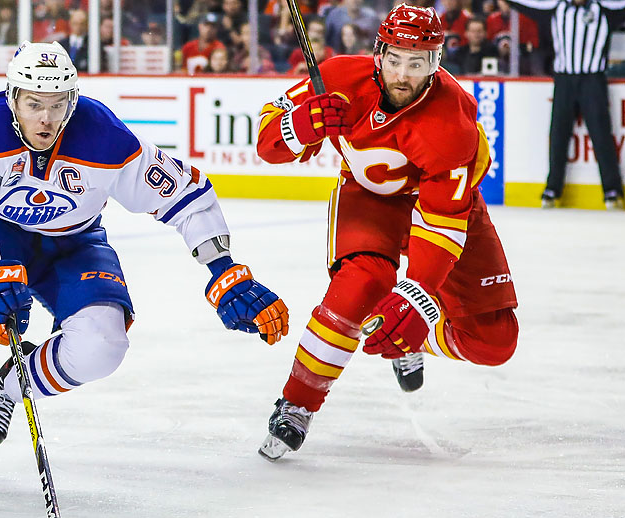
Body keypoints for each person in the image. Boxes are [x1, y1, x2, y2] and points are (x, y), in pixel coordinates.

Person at [0, 41, 289, 492]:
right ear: (12, 96)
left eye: (57, 104)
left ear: (72, 98)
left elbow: (185, 195)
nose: (46, 119)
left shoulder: (104, 136)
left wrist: (223, 269)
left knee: (103, 346)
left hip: (75, 244)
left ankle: (10, 386)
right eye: (34, 104)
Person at [255, 4, 519, 461]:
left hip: (446, 208)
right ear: (378, 53)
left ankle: (406, 333)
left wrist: (416, 299)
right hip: (370, 195)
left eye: (417, 63)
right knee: (360, 283)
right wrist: (297, 127)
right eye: (395, 58)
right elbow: (266, 142)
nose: (403, 73)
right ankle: (297, 403)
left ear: (436, 64)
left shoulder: (452, 121)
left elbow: (441, 223)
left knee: (495, 341)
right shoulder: (337, 77)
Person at [505, 0, 625, 210]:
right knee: (558, 134)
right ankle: (552, 189)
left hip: (593, 79)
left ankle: (612, 190)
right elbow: (522, 3)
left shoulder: (604, 9)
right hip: (564, 81)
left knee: (601, 135)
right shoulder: (554, 7)